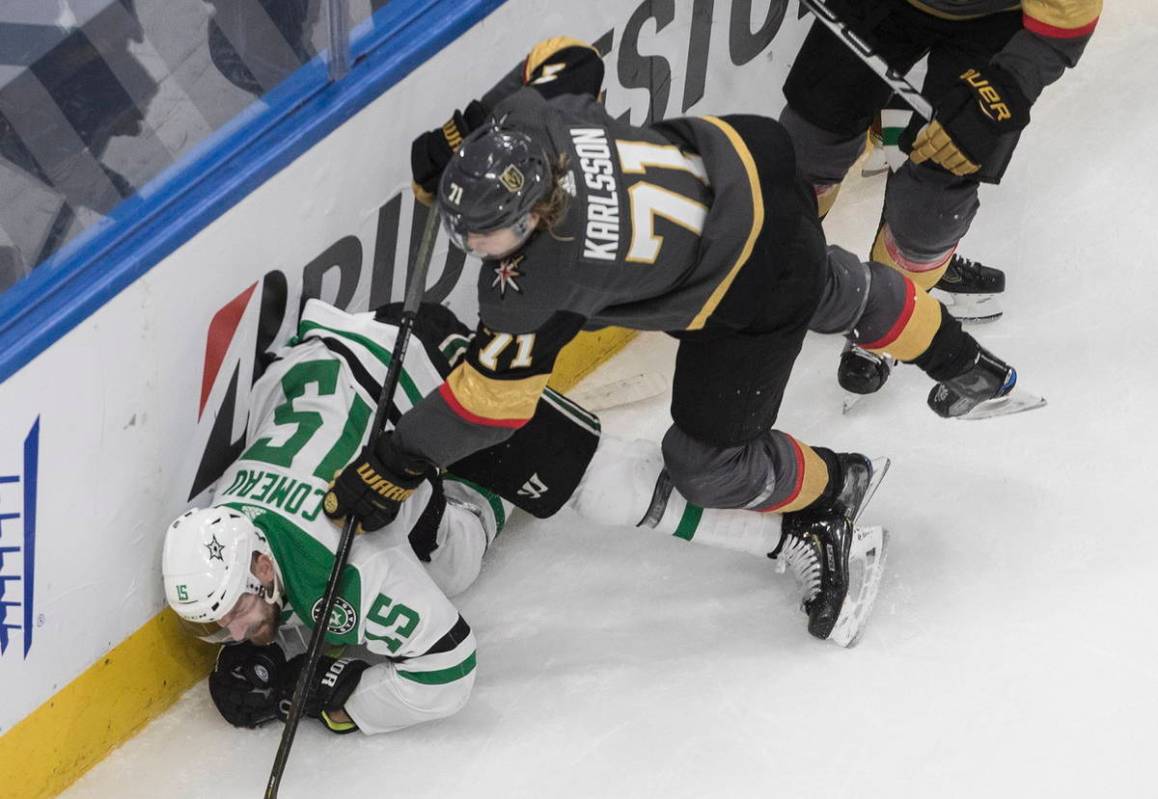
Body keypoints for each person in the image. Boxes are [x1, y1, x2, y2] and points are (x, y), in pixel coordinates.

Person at [324, 35, 1040, 642]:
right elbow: (566, 57)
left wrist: (395, 463)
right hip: (757, 165)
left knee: (708, 465)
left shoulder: (543, 278)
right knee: (826, 282)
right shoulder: (538, 122)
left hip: (749, 278)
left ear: (537, 211)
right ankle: (960, 359)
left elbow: (491, 404)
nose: (479, 245)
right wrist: (467, 133)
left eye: (492, 232)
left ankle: (830, 490)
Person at [162, 298, 886, 739]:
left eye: (234, 611)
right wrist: (275, 635)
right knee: (449, 560)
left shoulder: (348, 563)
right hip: (336, 379)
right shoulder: (216, 518)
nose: (231, 629)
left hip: (427, 374)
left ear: (260, 562)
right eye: (222, 620)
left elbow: (447, 667)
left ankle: (807, 518)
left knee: (600, 488)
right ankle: (488, 490)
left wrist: (320, 695)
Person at [779, 0, 1100, 392]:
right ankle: (777, 265)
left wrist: (1008, 87)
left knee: (933, 200)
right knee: (805, 149)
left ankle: (889, 308)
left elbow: (1067, 17)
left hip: (994, 22)